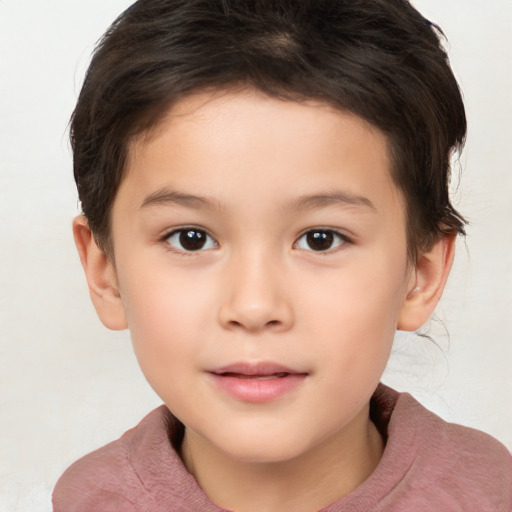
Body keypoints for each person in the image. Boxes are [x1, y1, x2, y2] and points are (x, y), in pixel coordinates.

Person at [52, 0, 512, 510]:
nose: (254, 307)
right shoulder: (88, 499)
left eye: (321, 238)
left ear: (421, 274)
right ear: (105, 271)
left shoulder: (490, 493)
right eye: (190, 238)